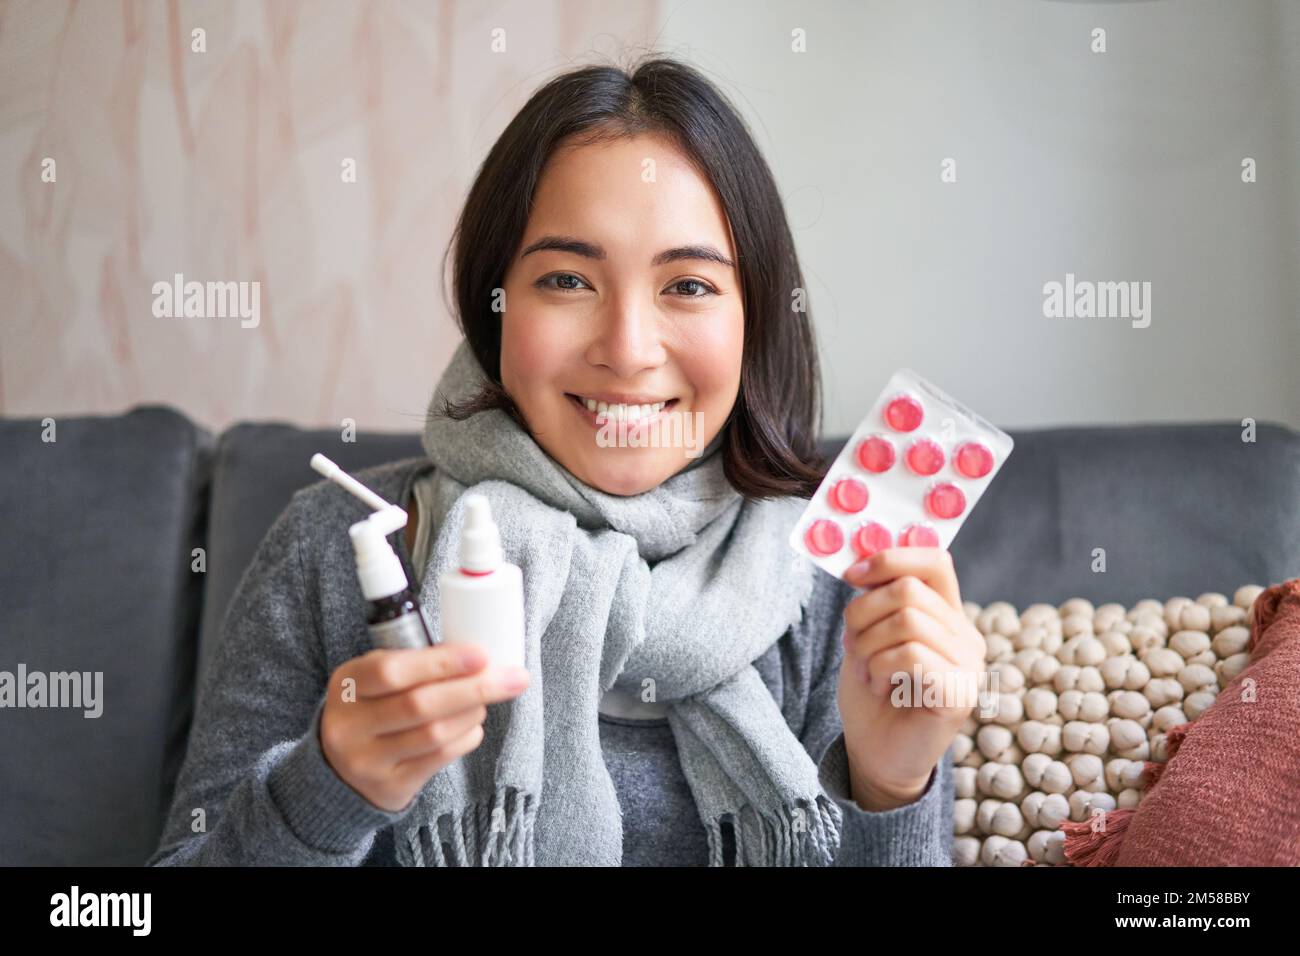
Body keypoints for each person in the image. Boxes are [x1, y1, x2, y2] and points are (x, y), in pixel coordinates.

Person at [149, 55, 983, 868]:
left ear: (753, 321)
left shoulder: (845, 585)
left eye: (687, 285)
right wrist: (325, 790)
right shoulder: (339, 547)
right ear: (496, 307)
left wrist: (890, 780)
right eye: (566, 281)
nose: (626, 350)